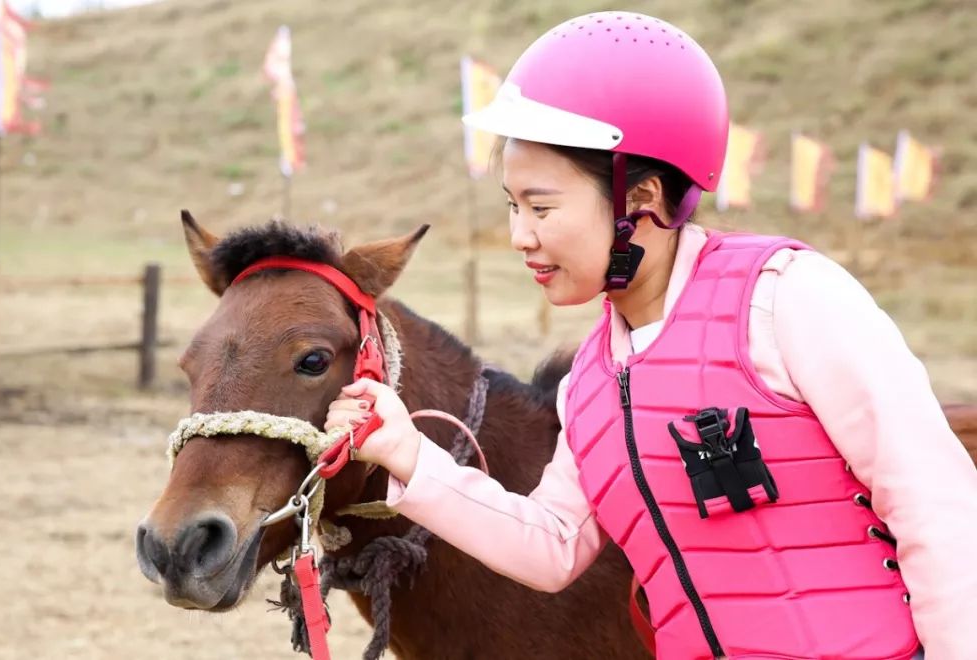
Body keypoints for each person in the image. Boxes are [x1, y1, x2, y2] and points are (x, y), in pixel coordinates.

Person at [325, 11, 977, 659]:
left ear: (642, 197)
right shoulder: (591, 380)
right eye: (512, 207)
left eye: (542, 207)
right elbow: (552, 544)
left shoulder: (789, 297)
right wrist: (409, 454)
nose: (521, 235)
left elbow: (934, 503)